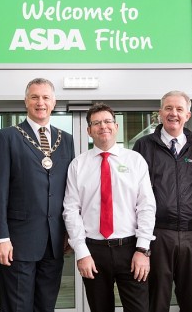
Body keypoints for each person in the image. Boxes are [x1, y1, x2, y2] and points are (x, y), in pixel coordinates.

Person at [0, 78, 75, 312]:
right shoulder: (7, 136)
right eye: (35, 97)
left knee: (46, 306)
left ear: (54, 102)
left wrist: (67, 231)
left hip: (54, 241)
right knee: (17, 307)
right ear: (25, 101)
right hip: (17, 241)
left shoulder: (65, 139)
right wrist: (0, 237)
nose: (40, 102)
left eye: (46, 97)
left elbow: (69, 190)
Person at [63, 103, 156, 312]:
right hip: (93, 251)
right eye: (96, 123)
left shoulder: (135, 160)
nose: (102, 126)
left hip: (131, 249)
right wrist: (81, 252)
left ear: (115, 126)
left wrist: (143, 249)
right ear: (89, 130)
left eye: (107, 121)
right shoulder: (77, 165)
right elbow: (70, 210)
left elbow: (146, 207)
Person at [132, 90, 192, 312]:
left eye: (179, 109)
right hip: (158, 234)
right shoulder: (143, 146)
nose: (173, 113)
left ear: (188, 114)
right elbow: (134, 192)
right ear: (159, 113)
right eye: (168, 108)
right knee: (156, 301)